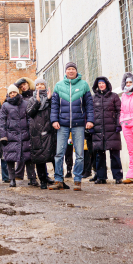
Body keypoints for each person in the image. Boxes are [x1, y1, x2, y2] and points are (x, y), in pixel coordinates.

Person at [49, 62, 95, 191]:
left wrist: (90, 120)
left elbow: (89, 105)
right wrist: (54, 120)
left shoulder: (84, 85)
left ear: (76, 71)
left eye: (73, 69)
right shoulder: (58, 86)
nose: (70, 71)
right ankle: (58, 180)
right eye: (68, 69)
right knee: (59, 153)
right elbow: (54, 106)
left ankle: (77, 180)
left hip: (78, 124)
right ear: (65, 71)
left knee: (79, 153)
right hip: (62, 124)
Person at [89, 77, 123, 184]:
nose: (101, 85)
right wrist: (91, 126)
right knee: (99, 155)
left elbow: (119, 111)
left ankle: (118, 177)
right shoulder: (93, 98)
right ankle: (101, 177)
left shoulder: (114, 96)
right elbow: (90, 113)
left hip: (112, 129)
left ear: (107, 84)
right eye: (99, 83)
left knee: (115, 155)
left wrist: (118, 124)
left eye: (103, 83)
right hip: (98, 130)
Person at [0, 84, 31, 187]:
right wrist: (3, 136)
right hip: (10, 135)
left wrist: (31, 132)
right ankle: (12, 179)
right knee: (10, 158)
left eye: (14, 92)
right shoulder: (5, 105)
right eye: (11, 93)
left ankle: (32, 178)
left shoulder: (25, 103)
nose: (13, 94)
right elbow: (2, 121)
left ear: (17, 92)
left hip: (25, 133)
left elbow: (29, 118)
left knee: (28, 157)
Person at [26, 78, 55, 189]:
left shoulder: (51, 97)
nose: (40, 86)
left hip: (49, 131)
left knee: (53, 156)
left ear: (45, 86)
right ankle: (43, 180)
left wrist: (49, 100)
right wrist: (37, 102)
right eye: (38, 84)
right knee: (39, 157)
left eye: (42, 84)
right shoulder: (32, 99)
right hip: (36, 132)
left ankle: (58, 179)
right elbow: (29, 113)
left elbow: (55, 111)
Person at [15, 77, 39, 186]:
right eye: (21, 86)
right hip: (23, 126)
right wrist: (15, 86)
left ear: (29, 83)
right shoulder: (19, 97)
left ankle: (33, 176)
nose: (23, 87)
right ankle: (19, 173)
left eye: (24, 84)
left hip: (35, 124)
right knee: (22, 150)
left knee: (32, 152)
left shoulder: (35, 94)